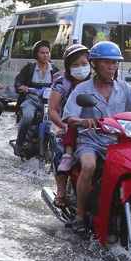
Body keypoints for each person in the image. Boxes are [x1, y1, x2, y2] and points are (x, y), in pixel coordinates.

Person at [61, 41, 131, 233]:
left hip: (118, 141)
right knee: (88, 166)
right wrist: (81, 121)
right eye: (106, 63)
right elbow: (69, 116)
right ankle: (79, 215)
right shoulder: (82, 89)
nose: (111, 67)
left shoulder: (124, 88)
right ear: (94, 64)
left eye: (115, 63)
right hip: (91, 140)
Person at [47, 44, 89, 208]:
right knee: (60, 149)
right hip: (65, 124)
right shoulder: (61, 82)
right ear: (68, 67)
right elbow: (52, 109)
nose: (81, 68)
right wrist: (64, 126)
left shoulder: (97, 81)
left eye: (84, 64)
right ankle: (61, 191)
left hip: (94, 126)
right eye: (75, 65)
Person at [12, 40, 57, 157]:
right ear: (36, 54)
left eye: (47, 53)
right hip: (30, 101)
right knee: (27, 117)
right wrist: (22, 87)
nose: (45, 55)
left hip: (48, 103)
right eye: (42, 53)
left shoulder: (54, 70)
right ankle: (19, 143)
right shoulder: (29, 68)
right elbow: (18, 82)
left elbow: (61, 84)